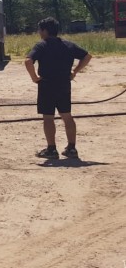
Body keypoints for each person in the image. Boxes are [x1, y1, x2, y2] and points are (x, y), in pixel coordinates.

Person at [24, 17, 92, 160]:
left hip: (46, 85)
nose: (39, 33)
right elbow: (87, 56)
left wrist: (34, 77)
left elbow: (28, 61)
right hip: (63, 84)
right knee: (66, 116)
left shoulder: (41, 45)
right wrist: (75, 71)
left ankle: (51, 149)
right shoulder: (68, 45)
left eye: (40, 30)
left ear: (45, 30)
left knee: (48, 117)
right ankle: (72, 148)